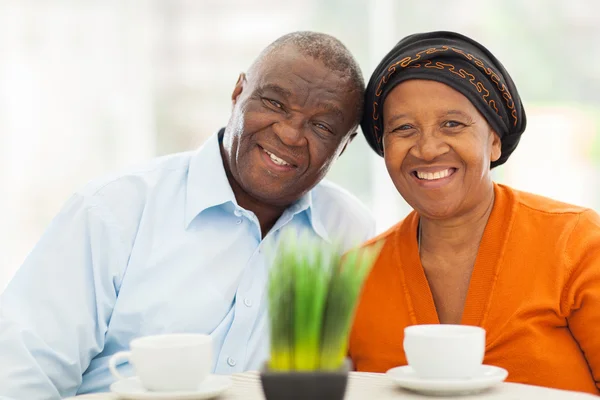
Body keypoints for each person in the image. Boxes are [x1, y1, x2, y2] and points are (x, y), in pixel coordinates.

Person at [0, 31, 375, 399]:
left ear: (345, 144)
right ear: (238, 92)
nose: (291, 134)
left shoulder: (349, 229)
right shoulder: (113, 210)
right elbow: (22, 377)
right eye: (275, 103)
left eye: (322, 126)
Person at [348, 31, 600, 394]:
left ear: (494, 140)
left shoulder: (575, 244)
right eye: (404, 128)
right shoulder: (352, 277)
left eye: (452, 124)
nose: (428, 149)